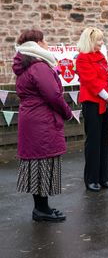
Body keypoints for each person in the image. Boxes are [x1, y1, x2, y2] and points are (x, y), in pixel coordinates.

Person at [12, 29, 73, 222]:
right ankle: (41, 210)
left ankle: (42, 207)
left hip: (32, 119)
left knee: (37, 163)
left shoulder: (28, 66)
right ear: (36, 44)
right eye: (44, 41)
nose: (47, 44)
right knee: (42, 163)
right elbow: (53, 95)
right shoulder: (39, 67)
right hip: (41, 121)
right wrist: (68, 112)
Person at [76, 27, 108, 192]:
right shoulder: (82, 59)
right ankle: (91, 179)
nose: (101, 43)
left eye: (102, 40)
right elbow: (91, 82)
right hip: (92, 103)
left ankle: (103, 177)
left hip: (106, 102)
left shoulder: (100, 57)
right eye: (99, 40)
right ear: (90, 41)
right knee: (93, 142)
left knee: (104, 141)